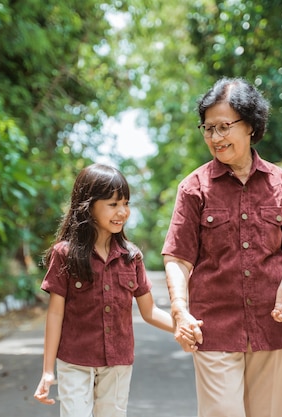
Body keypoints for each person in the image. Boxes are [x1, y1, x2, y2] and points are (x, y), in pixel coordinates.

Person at [162, 77, 282, 417]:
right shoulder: (193, 188)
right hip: (213, 328)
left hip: (273, 327)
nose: (215, 137)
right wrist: (179, 309)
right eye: (208, 128)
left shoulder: (281, 183)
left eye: (224, 127)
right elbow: (178, 258)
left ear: (251, 126)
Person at [33, 163, 194, 417]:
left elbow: (149, 311)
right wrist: (47, 370)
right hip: (75, 360)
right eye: (113, 204)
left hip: (118, 363)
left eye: (126, 203)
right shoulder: (65, 254)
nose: (123, 212)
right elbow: (55, 314)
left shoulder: (132, 257)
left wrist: (183, 328)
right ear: (88, 205)